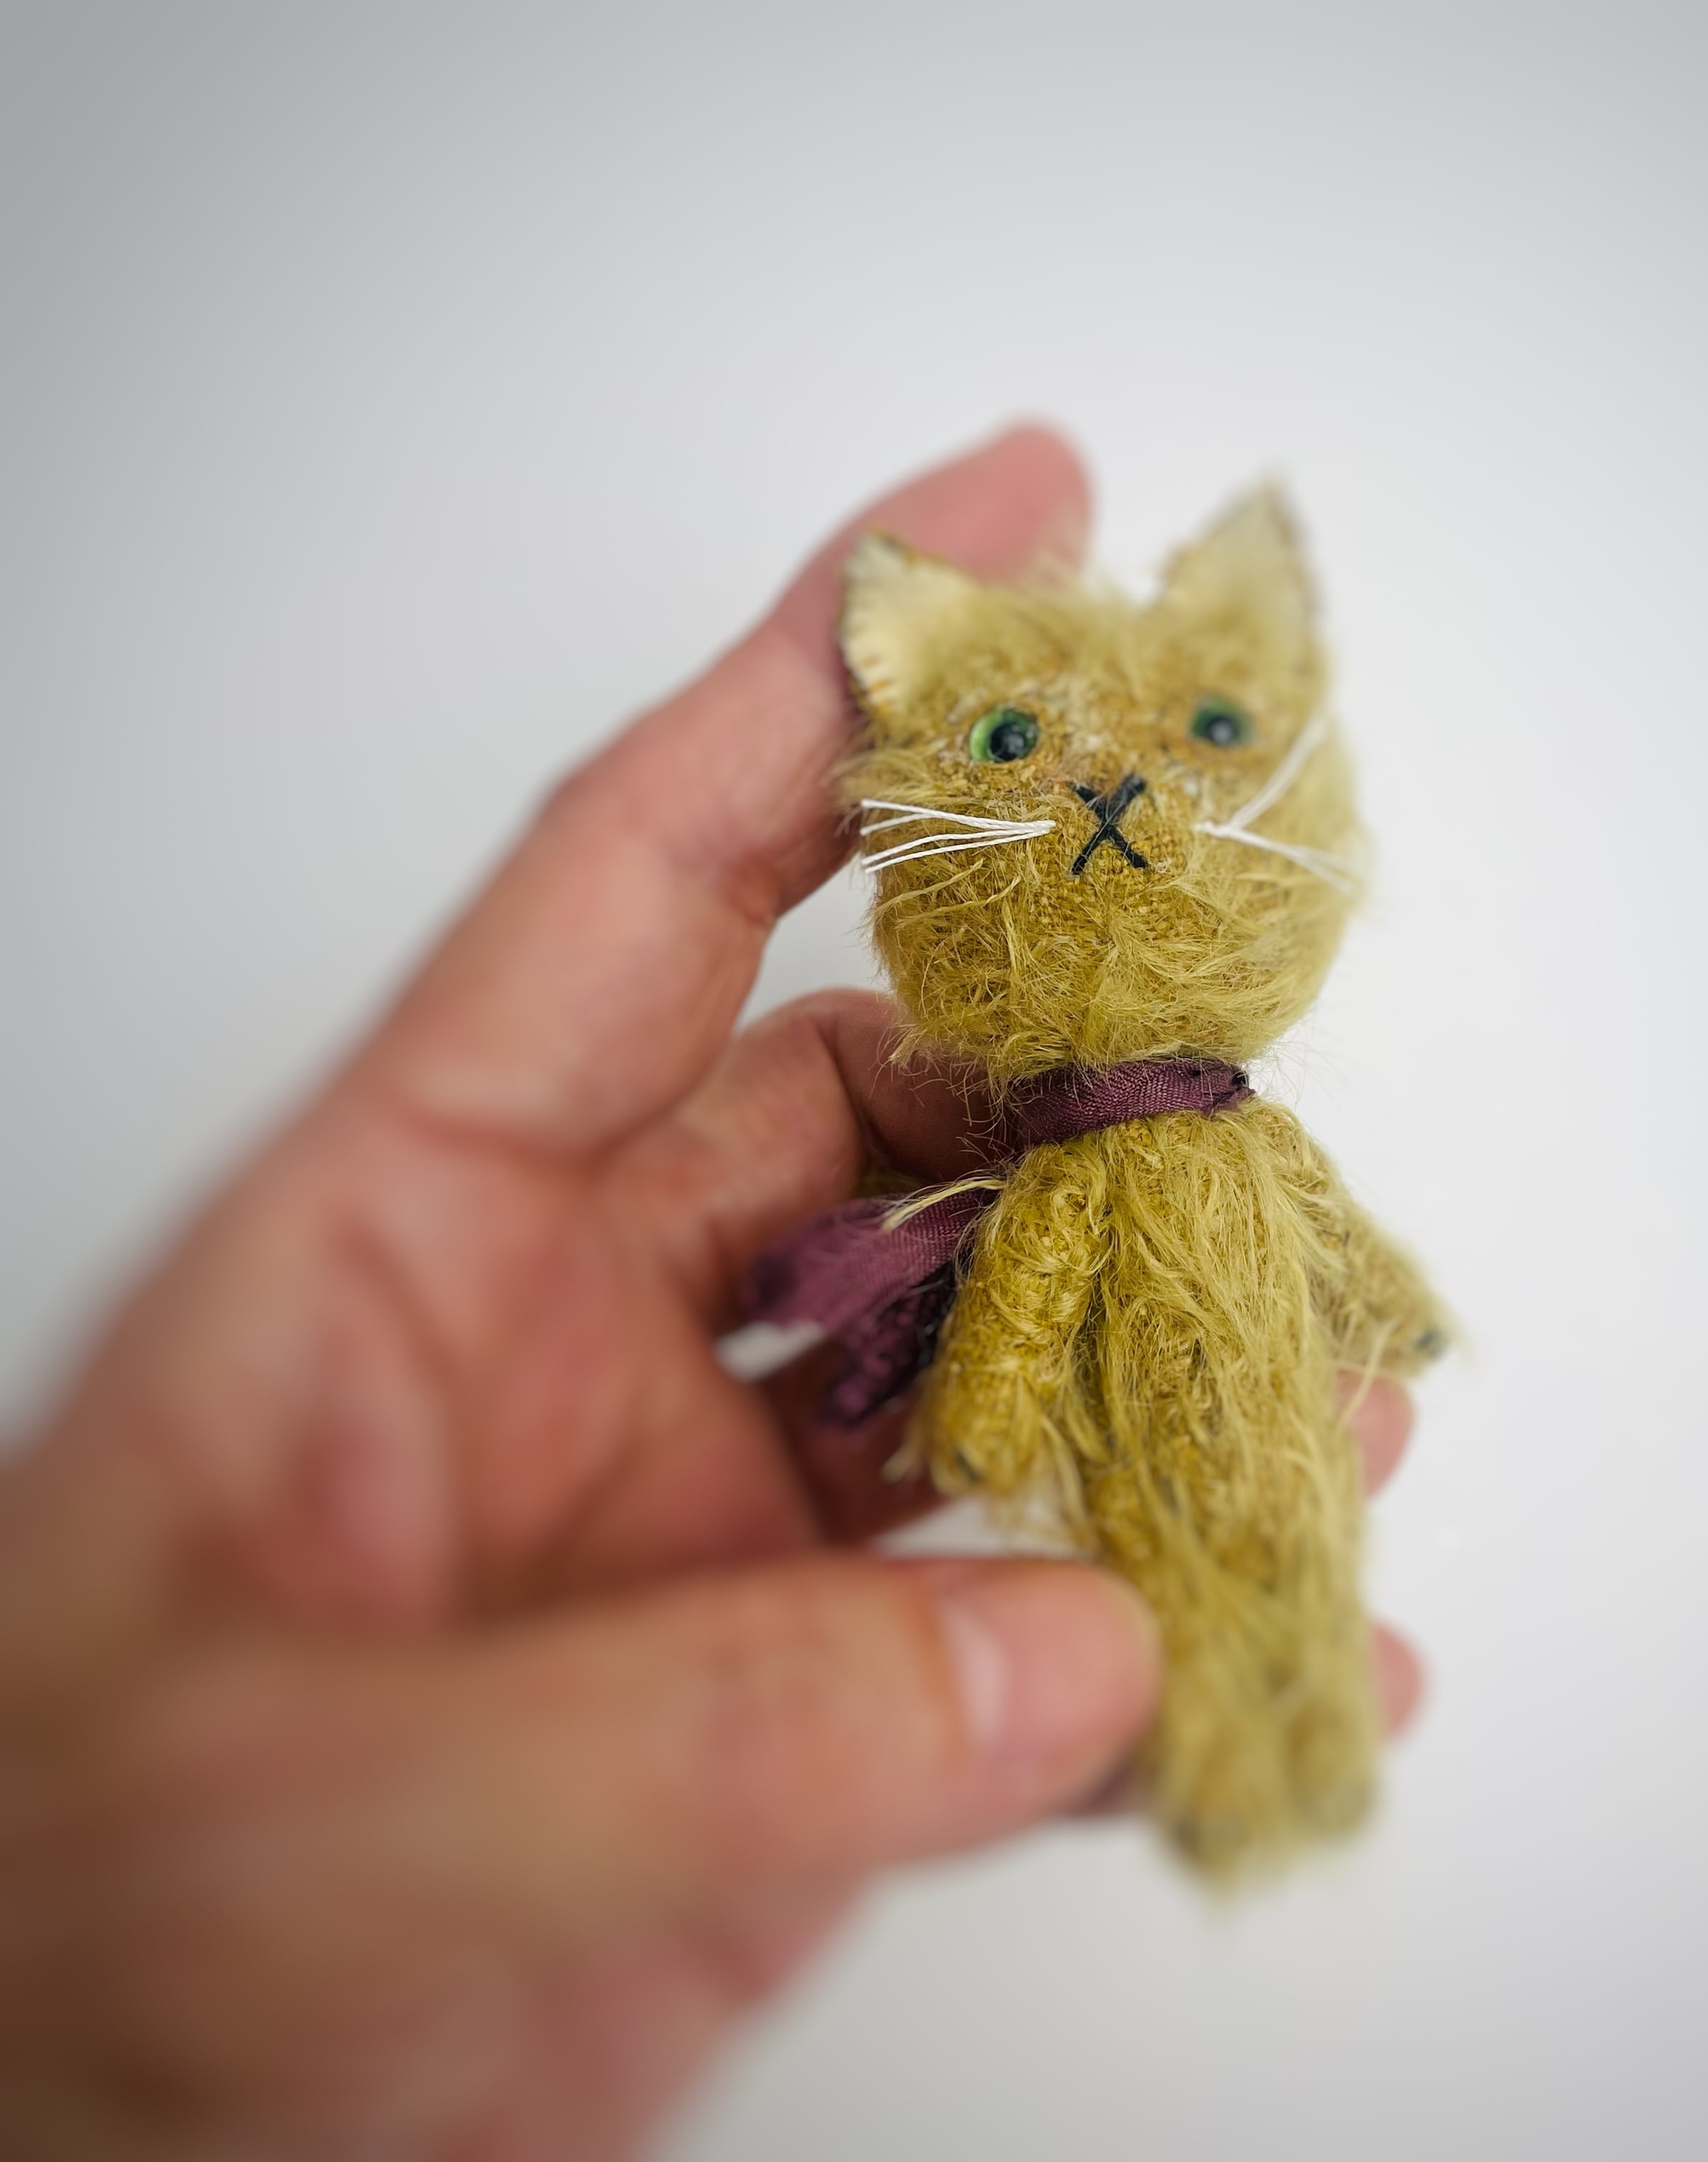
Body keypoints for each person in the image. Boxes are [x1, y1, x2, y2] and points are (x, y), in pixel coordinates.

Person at [0, 427, 1420, 2158]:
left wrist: (1378, 1296)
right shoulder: (1064, 1164)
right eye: (1007, 739)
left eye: (1209, 726)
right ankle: (1259, 1768)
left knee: (1299, 1552)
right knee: (1193, 1596)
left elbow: (1302, 1219)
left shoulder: (1229, 1137)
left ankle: (1302, 1750)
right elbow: (1036, 1269)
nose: (1114, 786)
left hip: (1262, 1400)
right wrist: (982, 1404)